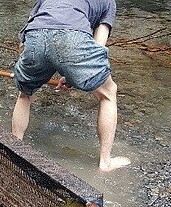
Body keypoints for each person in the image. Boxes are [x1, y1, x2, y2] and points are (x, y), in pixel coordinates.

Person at [12, 0, 131, 172]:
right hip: (71, 36)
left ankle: (14, 149)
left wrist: (28, 74)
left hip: (36, 35)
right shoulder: (109, 2)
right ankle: (105, 163)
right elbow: (98, 46)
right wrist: (75, 72)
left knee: (25, 94)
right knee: (108, 93)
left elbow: (28, 33)